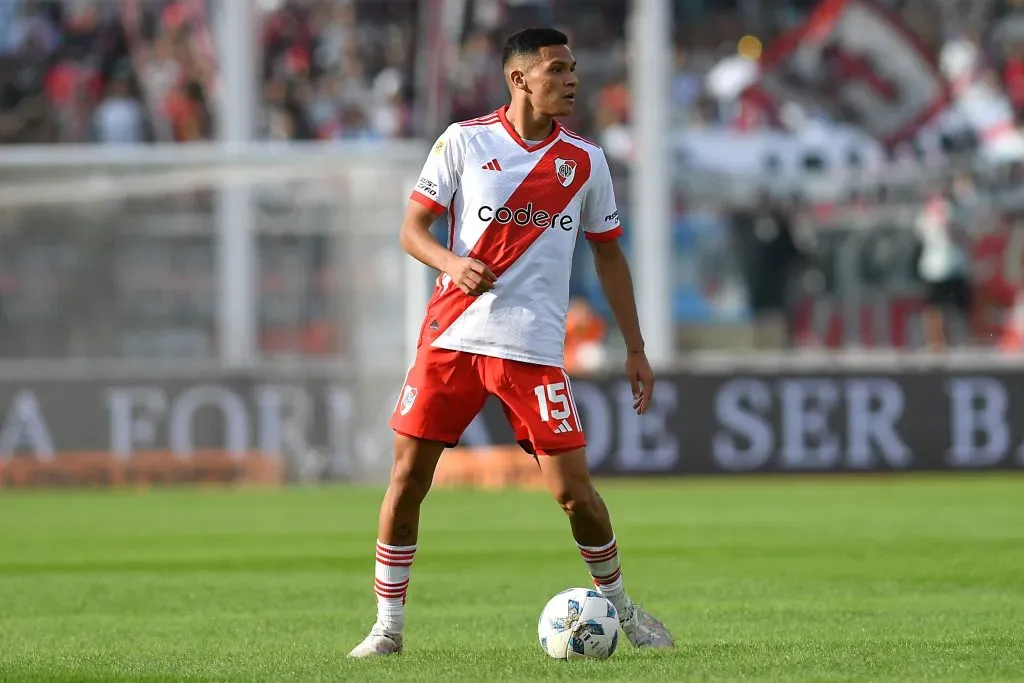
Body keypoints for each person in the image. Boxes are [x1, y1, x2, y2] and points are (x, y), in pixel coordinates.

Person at [349, 27, 674, 658]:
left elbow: (609, 256)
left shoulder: (585, 161)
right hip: (452, 338)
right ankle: (387, 627)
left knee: (574, 494)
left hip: (532, 348)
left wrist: (635, 346)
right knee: (408, 478)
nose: (571, 79)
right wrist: (452, 262)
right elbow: (412, 230)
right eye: (557, 69)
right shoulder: (464, 142)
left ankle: (627, 612)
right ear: (518, 78)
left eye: (574, 67)